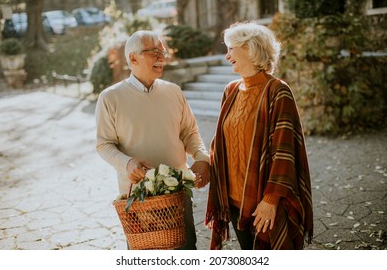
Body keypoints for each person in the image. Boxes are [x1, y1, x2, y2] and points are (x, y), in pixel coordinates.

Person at [95, 30, 210, 250]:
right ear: (133, 59)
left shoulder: (174, 92)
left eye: (162, 51)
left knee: (185, 251)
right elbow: (104, 144)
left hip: (177, 194)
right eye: (153, 51)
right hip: (139, 198)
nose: (161, 56)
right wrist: (127, 163)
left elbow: (190, 132)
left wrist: (202, 157)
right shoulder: (109, 98)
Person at [205, 22, 313, 250]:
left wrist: (271, 199)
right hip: (234, 202)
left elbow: (285, 151)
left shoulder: (277, 91)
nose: (227, 56)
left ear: (249, 48)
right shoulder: (231, 90)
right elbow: (221, 144)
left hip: (265, 203)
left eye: (231, 49)